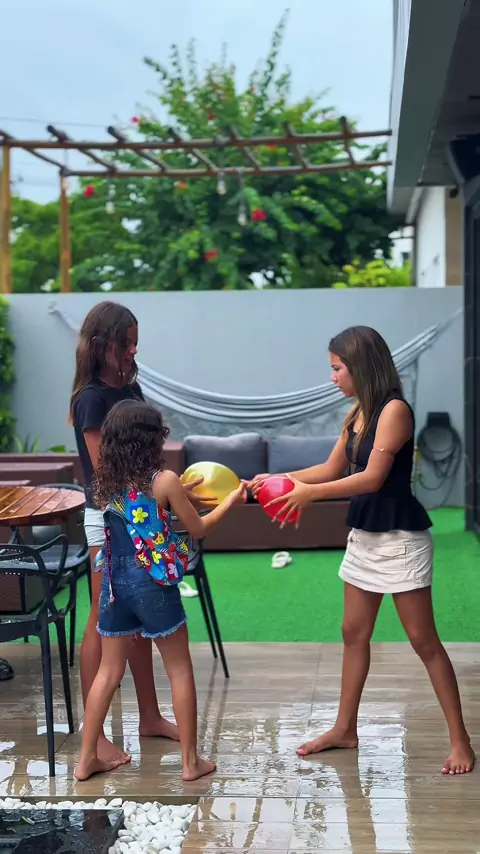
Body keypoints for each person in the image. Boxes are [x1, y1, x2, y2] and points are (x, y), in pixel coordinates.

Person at [248, 325, 475, 776]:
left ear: (360, 366)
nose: (332, 377)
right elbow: (332, 467)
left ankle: (461, 740)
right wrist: (278, 481)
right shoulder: (359, 411)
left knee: (423, 641)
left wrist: (309, 495)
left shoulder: (394, 411)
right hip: (365, 535)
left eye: (337, 368)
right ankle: (344, 729)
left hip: (400, 539)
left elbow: (371, 478)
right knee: (353, 632)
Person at [70, 301, 214, 770]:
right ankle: (97, 740)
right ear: (102, 344)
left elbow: (143, 459)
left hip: (138, 509)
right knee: (104, 622)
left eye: (135, 341)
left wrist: (173, 490)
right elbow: (108, 474)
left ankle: (150, 717)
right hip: (110, 518)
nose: (134, 350)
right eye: (126, 343)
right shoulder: (90, 398)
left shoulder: (129, 386)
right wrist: (162, 494)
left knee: (133, 626)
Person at [74, 399, 246, 781]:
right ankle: (190, 762)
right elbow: (198, 529)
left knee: (108, 671)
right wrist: (231, 501)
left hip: (114, 585)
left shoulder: (104, 485)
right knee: (179, 669)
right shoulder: (164, 481)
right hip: (152, 584)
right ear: (151, 440)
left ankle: (86, 759)